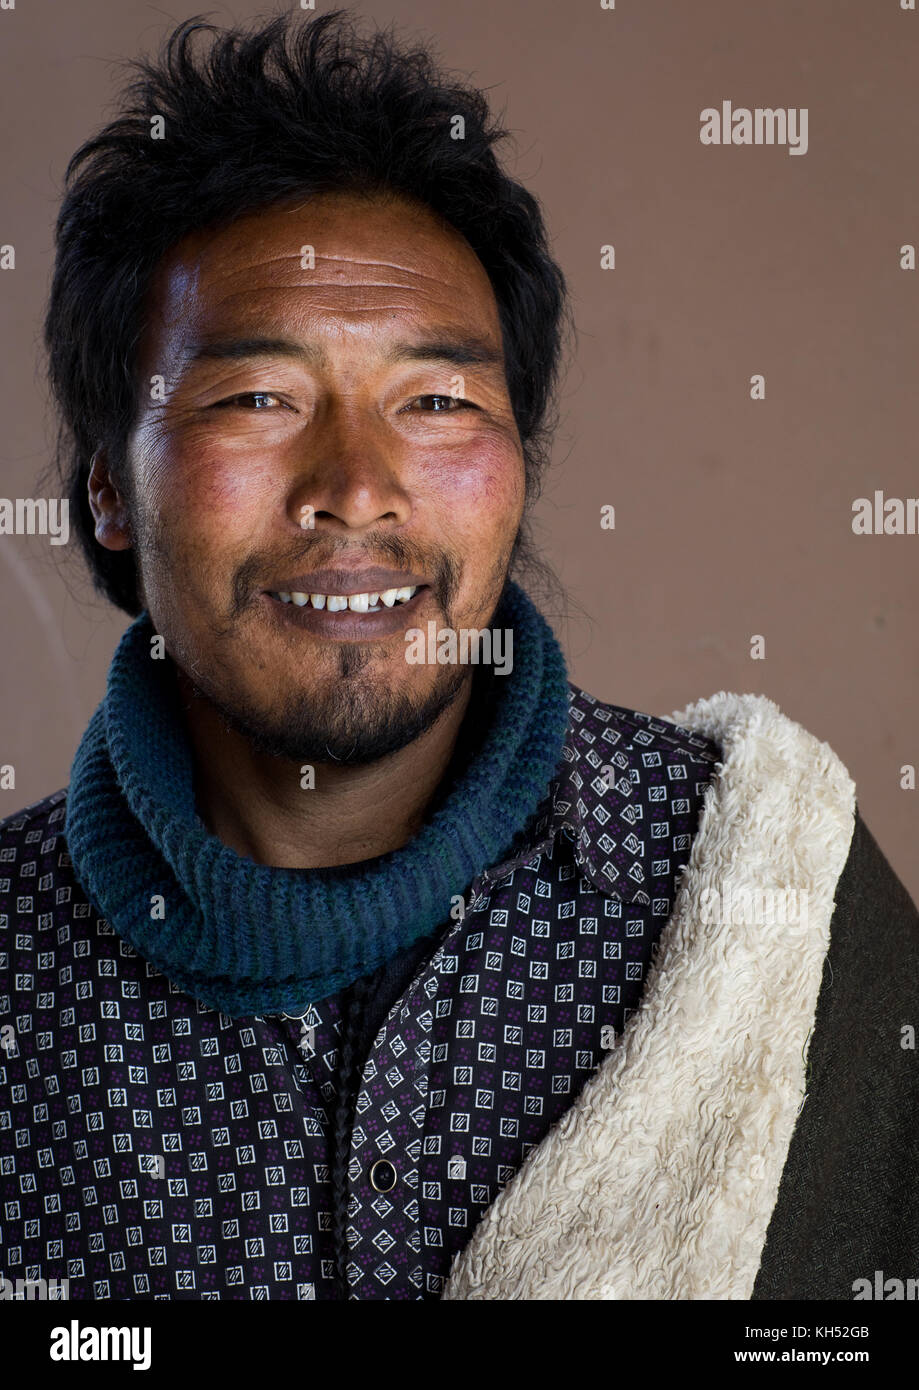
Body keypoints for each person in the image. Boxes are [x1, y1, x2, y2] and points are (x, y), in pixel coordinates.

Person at [1, 9, 916, 1303]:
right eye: (258, 398)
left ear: (519, 471)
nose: (358, 488)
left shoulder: (767, 883)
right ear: (107, 486)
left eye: (436, 402)